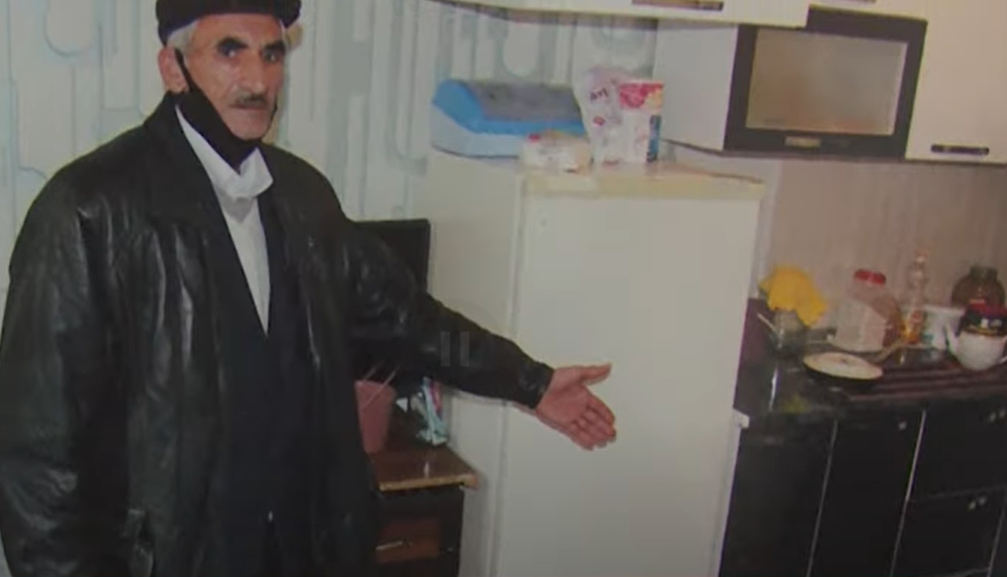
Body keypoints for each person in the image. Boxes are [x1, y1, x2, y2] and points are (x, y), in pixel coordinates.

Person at [0, 1, 616, 576]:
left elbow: (406, 317)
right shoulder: (88, 210)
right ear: (173, 68)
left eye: (272, 54)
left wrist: (529, 382)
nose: (258, 79)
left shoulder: (303, 196)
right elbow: (36, 458)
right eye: (230, 51)